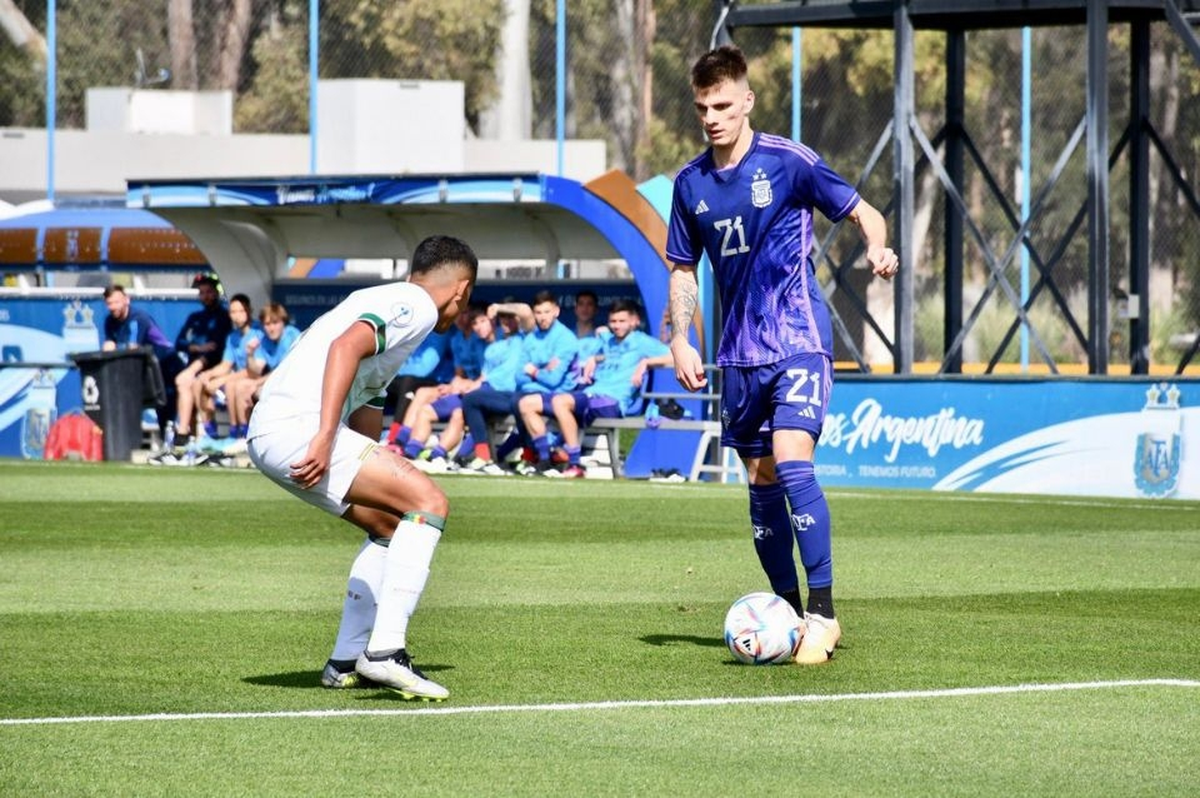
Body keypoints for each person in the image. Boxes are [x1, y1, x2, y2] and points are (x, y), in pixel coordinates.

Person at [665, 45, 899, 665]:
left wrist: (878, 248)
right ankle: (788, 609)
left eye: (722, 105)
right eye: (702, 108)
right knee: (760, 479)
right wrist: (680, 336)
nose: (712, 117)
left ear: (746, 101)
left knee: (793, 459)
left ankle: (823, 615)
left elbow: (865, 213)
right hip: (738, 355)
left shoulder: (789, 162)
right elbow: (683, 270)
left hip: (798, 335)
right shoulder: (690, 184)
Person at [247, 235, 477, 700]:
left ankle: (345, 660)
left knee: (392, 524)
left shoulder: (381, 302)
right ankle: (386, 651)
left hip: (272, 433)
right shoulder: (415, 305)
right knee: (431, 502)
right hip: (299, 429)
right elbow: (345, 349)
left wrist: (385, 472)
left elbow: (367, 405)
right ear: (462, 289)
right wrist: (326, 435)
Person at [547, 299, 673, 478]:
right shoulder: (610, 341)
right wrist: (595, 358)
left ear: (634, 321)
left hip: (612, 401)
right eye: (613, 321)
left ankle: (571, 462)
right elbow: (607, 350)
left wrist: (646, 362)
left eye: (622, 321)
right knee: (535, 403)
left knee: (560, 402)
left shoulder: (641, 342)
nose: (616, 326)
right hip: (591, 394)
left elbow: (676, 357)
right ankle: (545, 455)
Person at [458, 299, 535, 475]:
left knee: (473, 400)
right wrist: (465, 387)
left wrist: (499, 307)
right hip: (493, 394)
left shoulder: (525, 336)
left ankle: (473, 458)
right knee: (469, 400)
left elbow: (525, 310)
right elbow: (485, 376)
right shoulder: (494, 347)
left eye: (510, 318)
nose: (506, 322)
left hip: (513, 394)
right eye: (503, 318)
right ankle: (481, 458)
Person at [511, 290, 580, 475]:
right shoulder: (531, 337)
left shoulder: (566, 339)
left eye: (547, 312)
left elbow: (554, 380)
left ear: (556, 311)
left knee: (521, 402)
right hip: (535, 391)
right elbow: (518, 375)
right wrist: (542, 370)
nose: (542, 317)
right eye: (538, 312)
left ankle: (540, 458)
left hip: (561, 395)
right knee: (515, 400)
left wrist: (533, 370)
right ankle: (540, 458)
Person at [224, 302, 300, 451]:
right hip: (277, 384)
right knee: (242, 387)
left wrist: (256, 384)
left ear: (283, 322)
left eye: (275, 323)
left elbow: (284, 370)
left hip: (296, 385)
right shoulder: (264, 340)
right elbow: (257, 368)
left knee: (250, 388)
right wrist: (250, 353)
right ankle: (244, 436)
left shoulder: (292, 335)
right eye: (267, 324)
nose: (271, 328)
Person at [170, 274, 233, 439]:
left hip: (215, 369)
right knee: (183, 383)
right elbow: (180, 342)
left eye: (209, 291)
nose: (206, 296)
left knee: (187, 382)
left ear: (217, 293)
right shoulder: (195, 318)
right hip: (194, 366)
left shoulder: (223, 317)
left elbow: (216, 349)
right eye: (202, 292)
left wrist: (195, 367)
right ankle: (186, 434)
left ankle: (188, 435)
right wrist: (197, 347)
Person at [189, 294, 259, 442]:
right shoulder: (232, 336)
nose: (236, 316)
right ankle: (209, 431)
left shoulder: (258, 332)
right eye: (233, 312)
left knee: (231, 385)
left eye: (241, 311)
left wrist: (220, 380)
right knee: (198, 383)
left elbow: (253, 371)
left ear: (249, 311)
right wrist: (208, 374)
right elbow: (226, 365)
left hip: (255, 378)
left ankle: (237, 432)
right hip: (240, 375)